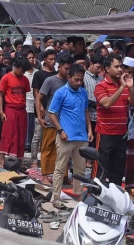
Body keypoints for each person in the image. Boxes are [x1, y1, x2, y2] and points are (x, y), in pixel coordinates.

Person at [48, 63, 93, 200]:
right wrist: (60, 130)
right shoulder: (61, 92)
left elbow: (86, 112)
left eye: (81, 80)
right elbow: (52, 113)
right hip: (65, 137)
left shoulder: (83, 92)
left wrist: (89, 130)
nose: (79, 82)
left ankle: (78, 196)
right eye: (76, 79)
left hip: (82, 137)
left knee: (80, 170)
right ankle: (55, 196)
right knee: (60, 168)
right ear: (68, 77)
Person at [94, 54, 134, 185]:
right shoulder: (101, 86)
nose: (120, 70)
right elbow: (107, 104)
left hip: (121, 134)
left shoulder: (124, 86)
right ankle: (98, 198)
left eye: (121, 67)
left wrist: (130, 88)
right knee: (101, 170)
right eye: (117, 67)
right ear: (107, 69)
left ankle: (116, 198)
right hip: (105, 134)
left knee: (118, 170)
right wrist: (121, 88)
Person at [36, 54, 74, 185]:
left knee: (64, 151)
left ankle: (63, 176)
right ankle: (45, 176)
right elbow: (38, 98)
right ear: (59, 67)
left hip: (66, 123)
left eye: (70, 69)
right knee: (47, 149)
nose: (68, 71)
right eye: (66, 68)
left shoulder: (71, 82)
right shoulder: (50, 81)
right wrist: (40, 117)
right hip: (51, 121)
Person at [0, 57, 31, 166]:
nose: (23, 72)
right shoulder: (6, 78)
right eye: (21, 70)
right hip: (10, 109)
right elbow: (0, 95)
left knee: (21, 135)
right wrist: (1, 111)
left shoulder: (25, 79)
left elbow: (24, 94)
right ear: (16, 67)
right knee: (7, 134)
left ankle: (20, 161)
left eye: (24, 71)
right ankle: (2, 160)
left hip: (21, 110)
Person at [30, 49, 58, 173]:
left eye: (54, 59)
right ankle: (34, 160)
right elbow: (36, 91)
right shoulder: (39, 74)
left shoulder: (57, 74)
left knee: (50, 138)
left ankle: (47, 161)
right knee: (38, 135)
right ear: (45, 60)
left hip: (54, 112)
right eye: (50, 59)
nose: (53, 61)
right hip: (41, 109)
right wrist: (40, 106)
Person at [84, 54, 103, 146]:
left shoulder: (101, 79)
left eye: (101, 68)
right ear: (91, 64)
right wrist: (94, 104)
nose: (99, 70)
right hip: (88, 117)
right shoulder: (83, 78)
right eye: (97, 67)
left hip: (99, 117)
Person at [24, 50, 38, 152]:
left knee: (34, 125)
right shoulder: (23, 74)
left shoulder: (37, 72)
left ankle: (32, 145)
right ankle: (26, 144)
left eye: (33, 57)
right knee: (27, 124)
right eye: (29, 58)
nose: (32, 59)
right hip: (25, 102)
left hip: (35, 101)